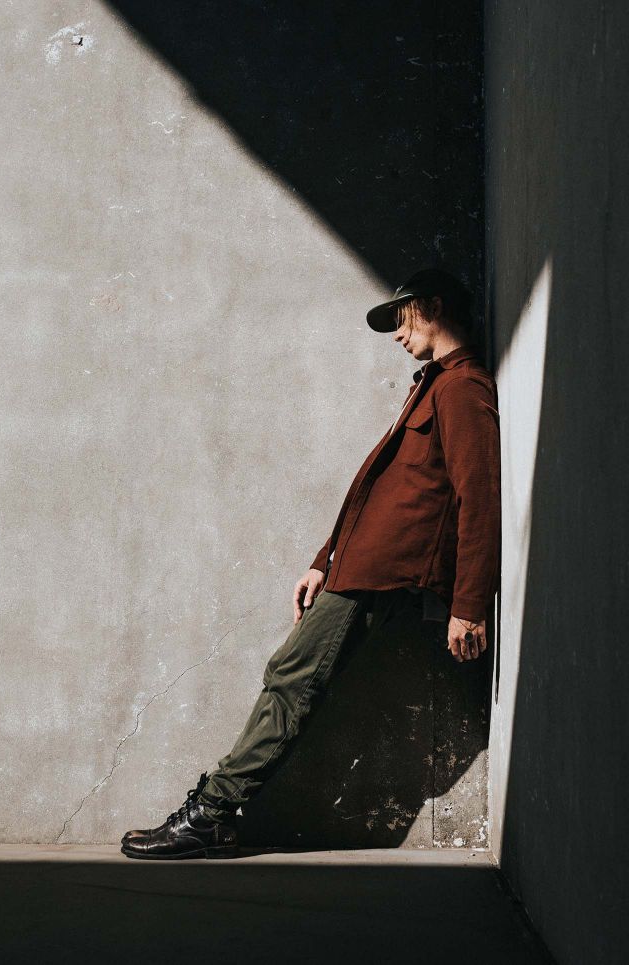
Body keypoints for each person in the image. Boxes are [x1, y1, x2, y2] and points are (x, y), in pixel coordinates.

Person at [120, 265, 501, 860]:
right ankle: (213, 815)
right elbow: (376, 491)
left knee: (291, 680)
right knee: (289, 677)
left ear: (431, 307)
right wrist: (325, 560)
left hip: (383, 573)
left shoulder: (461, 389)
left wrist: (469, 605)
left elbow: (480, 498)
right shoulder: (433, 385)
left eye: (402, 319)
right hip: (359, 566)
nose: (397, 334)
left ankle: (209, 816)